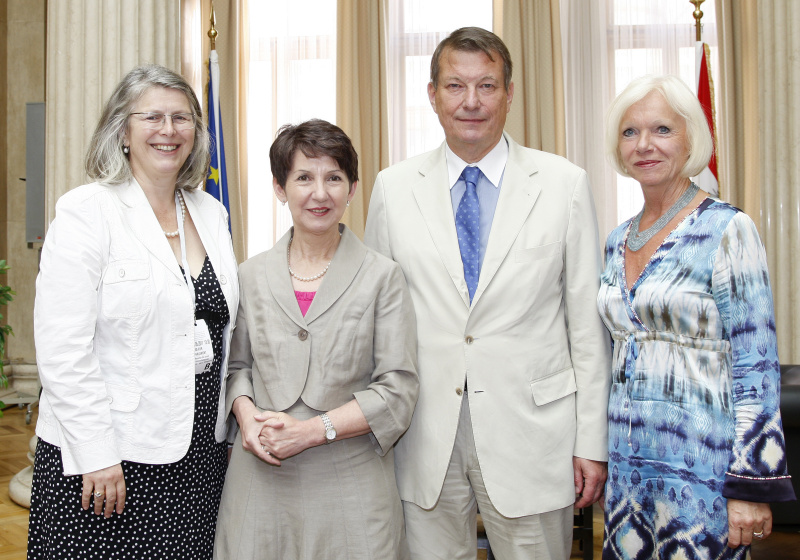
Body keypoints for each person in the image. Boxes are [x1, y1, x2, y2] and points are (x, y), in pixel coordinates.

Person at [364, 27, 610, 560]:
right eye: (455, 86)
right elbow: (380, 322)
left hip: (534, 435)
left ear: (510, 93)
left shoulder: (564, 184)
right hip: (423, 434)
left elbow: (587, 329)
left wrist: (592, 442)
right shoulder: (393, 188)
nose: (471, 102)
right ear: (433, 95)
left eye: (487, 86)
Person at [28, 64, 239, 559]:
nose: (169, 130)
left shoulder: (211, 213)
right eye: (153, 117)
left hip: (198, 456)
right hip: (109, 459)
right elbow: (63, 350)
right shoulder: (87, 212)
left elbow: (225, 334)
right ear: (123, 131)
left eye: (181, 118)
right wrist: (96, 453)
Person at [599, 74, 795, 559]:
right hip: (628, 473)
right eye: (630, 132)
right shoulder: (616, 240)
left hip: (704, 473)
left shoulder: (729, 228)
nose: (644, 144)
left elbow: (756, 366)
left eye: (662, 129)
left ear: (692, 139)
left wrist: (750, 484)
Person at [213, 119, 419, 560]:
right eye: (304, 177)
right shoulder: (249, 274)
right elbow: (236, 367)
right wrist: (246, 418)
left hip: (350, 484)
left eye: (334, 178)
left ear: (353, 188)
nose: (320, 193)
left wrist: (311, 432)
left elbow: (397, 388)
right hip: (261, 481)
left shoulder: (383, 277)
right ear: (280, 187)